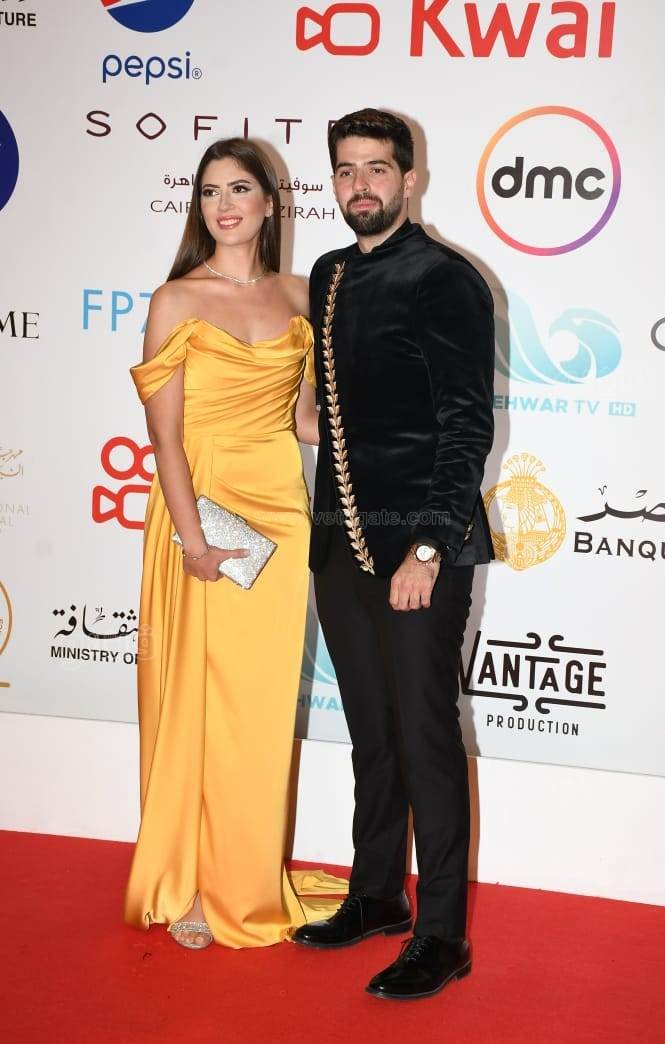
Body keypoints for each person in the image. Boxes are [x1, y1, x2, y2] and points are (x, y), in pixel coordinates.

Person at [293, 110, 495, 1000]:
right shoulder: (330, 273)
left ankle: (442, 934)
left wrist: (427, 547)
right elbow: (329, 406)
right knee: (372, 732)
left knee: (424, 734)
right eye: (346, 171)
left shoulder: (445, 279)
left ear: (410, 179)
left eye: (377, 169)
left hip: (422, 545)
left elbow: (466, 428)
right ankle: (377, 893)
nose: (360, 186)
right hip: (340, 540)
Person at [124, 137, 345, 950]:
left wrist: (384, 430)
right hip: (200, 508)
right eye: (211, 191)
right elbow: (165, 437)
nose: (224, 205)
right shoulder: (175, 299)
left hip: (278, 514)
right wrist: (192, 542)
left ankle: (243, 877)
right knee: (198, 698)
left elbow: (303, 420)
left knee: (256, 707)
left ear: (269, 202)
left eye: (239, 189)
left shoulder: (301, 294)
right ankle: (188, 882)